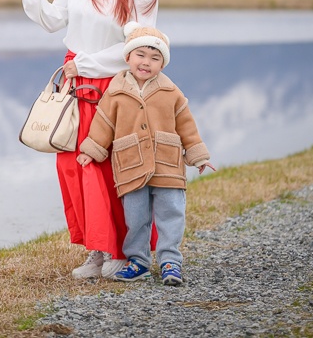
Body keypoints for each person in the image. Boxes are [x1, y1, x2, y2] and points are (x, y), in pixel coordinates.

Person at [0, 0, 158, 279]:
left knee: (108, 166)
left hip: (113, 87)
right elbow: (53, 20)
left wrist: (85, 65)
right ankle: (95, 251)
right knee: (72, 164)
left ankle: (121, 251)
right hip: (74, 84)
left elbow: (140, 48)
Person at [77, 25, 214, 286]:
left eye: (155, 58)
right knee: (135, 217)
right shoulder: (116, 91)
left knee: (171, 213)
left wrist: (198, 155)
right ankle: (138, 262)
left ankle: (170, 261)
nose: (146, 62)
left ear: (163, 63)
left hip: (167, 165)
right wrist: (91, 151)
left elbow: (186, 125)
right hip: (131, 165)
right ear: (128, 57)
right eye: (140, 55)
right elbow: (103, 123)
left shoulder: (171, 92)